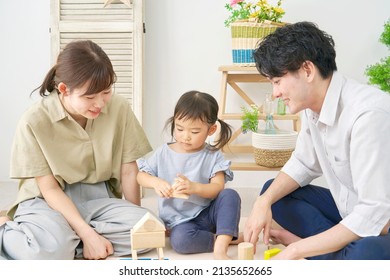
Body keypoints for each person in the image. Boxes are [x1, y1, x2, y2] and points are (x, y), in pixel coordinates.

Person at [244, 21, 390, 260]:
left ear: (307, 71)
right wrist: (263, 201)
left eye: (277, 81)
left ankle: (322, 252)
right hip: (351, 211)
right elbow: (303, 163)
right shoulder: (311, 107)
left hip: (381, 221)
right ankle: (333, 254)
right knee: (273, 192)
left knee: (367, 253)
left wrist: (295, 249)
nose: (275, 93)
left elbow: (375, 212)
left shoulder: (368, 114)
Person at [0, 40, 155, 260]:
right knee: (48, 252)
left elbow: (129, 170)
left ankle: (62, 236)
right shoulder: (33, 121)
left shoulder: (120, 108)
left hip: (99, 197)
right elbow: (50, 189)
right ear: (64, 89)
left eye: (106, 92)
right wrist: (87, 234)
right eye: (90, 97)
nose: (100, 103)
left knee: (147, 233)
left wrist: (138, 219)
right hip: (47, 199)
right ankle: (7, 228)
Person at [137, 90, 242, 259]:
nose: (185, 137)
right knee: (180, 242)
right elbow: (140, 176)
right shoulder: (164, 153)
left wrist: (194, 187)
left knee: (230, 195)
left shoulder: (212, 155)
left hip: (209, 214)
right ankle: (224, 237)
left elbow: (217, 187)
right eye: (179, 128)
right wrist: (155, 182)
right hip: (180, 222)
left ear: (211, 130)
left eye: (194, 132)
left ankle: (221, 247)